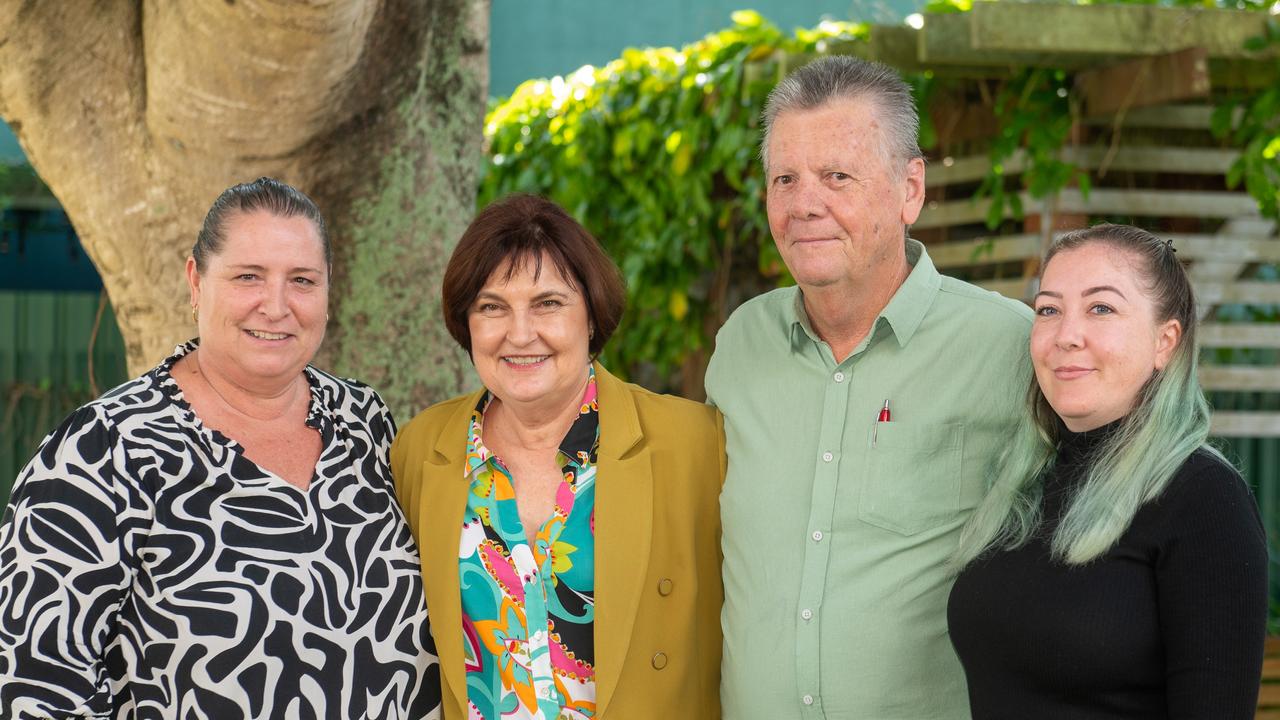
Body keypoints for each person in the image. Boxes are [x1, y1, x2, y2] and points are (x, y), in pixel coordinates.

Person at [0, 178, 439, 718]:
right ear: (196, 282)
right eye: (248, 276)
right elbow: (32, 685)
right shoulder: (103, 449)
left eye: (302, 280)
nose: (276, 306)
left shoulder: (364, 422)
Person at [705, 55, 1033, 718]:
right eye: (785, 179)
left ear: (910, 188)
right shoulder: (740, 344)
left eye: (837, 177)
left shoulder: (1010, 348)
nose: (804, 205)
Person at [392, 193, 724, 720]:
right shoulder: (422, 451)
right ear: (467, 324)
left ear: (591, 315)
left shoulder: (693, 444)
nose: (520, 334)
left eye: (548, 303)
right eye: (492, 307)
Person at [948, 223, 1268, 719]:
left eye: (1101, 308)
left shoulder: (1203, 498)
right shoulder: (1024, 484)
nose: (1066, 335)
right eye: (1048, 310)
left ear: (1165, 342)